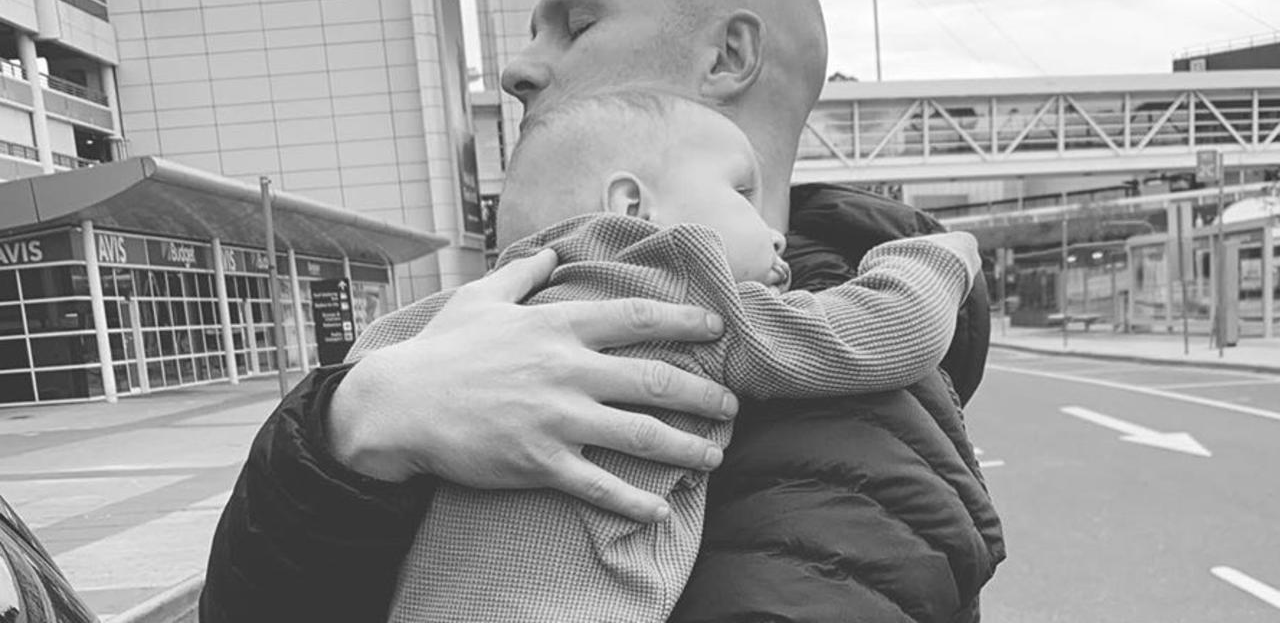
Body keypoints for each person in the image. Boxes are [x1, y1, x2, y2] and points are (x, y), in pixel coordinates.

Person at [201, 0, 1002, 622]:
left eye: (575, 24)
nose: (516, 69)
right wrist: (349, 428)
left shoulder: (827, 407)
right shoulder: (474, 331)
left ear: (728, 56)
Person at [377, 91, 981, 622]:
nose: (773, 231)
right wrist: (938, 256)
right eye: (743, 194)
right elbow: (889, 334)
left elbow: (361, 374)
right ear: (632, 206)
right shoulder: (682, 288)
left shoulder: (470, 317)